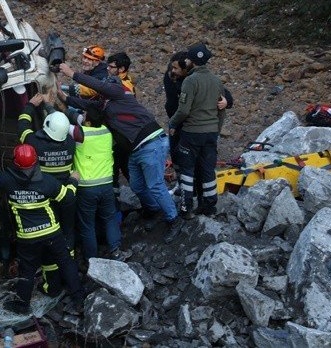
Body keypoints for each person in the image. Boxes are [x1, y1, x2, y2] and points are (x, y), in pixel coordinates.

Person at [57, 62, 183, 244]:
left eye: (105, 89)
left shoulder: (121, 92)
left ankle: (174, 219)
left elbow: (98, 86)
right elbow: (86, 104)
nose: (102, 92)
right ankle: (154, 209)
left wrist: (72, 74)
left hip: (151, 143)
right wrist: (63, 98)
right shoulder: (105, 104)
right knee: (137, 185)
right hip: (137, 149)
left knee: (155, 184)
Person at [0, 144, 83, 313]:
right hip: (51, 232)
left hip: (27, 237)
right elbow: (68, 198)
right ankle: (79, 299)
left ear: (15, 162)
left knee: (27, 270)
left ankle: (22, 305)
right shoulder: (47, 181)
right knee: (66, 262)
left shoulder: (6, 180)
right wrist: (73, 180)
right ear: (35, 161)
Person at [16, 93, 77, 296]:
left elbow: (22, 128)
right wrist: (50, 106)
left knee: (52, 246)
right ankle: (72, 278)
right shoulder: (69, 142)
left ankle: (52, 284)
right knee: (67, 238)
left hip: (46, 200)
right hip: (67, 196)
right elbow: (59, 125)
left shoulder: (34, 142)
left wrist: (30, 106)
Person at [168, 43, 225, 218]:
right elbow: (221, 110)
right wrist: (216, 130)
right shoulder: (217, 81)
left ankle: (187, 209)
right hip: (211, 133)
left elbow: (184, 110)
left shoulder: (190, 81)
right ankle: (209, 207)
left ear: (190, 61)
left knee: (187, 171)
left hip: (192, 133)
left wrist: (172, 123)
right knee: (208, 170)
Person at [73, 105, 124, 261]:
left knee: (87, 225)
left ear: (87, 122)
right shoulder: (106, 132)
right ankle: (115, 250)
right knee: (109, 219)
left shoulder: (80, 133)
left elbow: (62, 123)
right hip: (106, 184)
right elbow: (81, 118)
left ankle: (92, 259)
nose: (82, 115)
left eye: (84, 114)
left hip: (87, 187)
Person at [106, 52, 135, 190]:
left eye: (111, 67)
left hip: (122, 133)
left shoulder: (123, 85)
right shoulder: (125, 81)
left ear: (121, 69)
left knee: (120, 165)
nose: (108, 69)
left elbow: (94, 90)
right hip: (122, 132)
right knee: (123, 166)